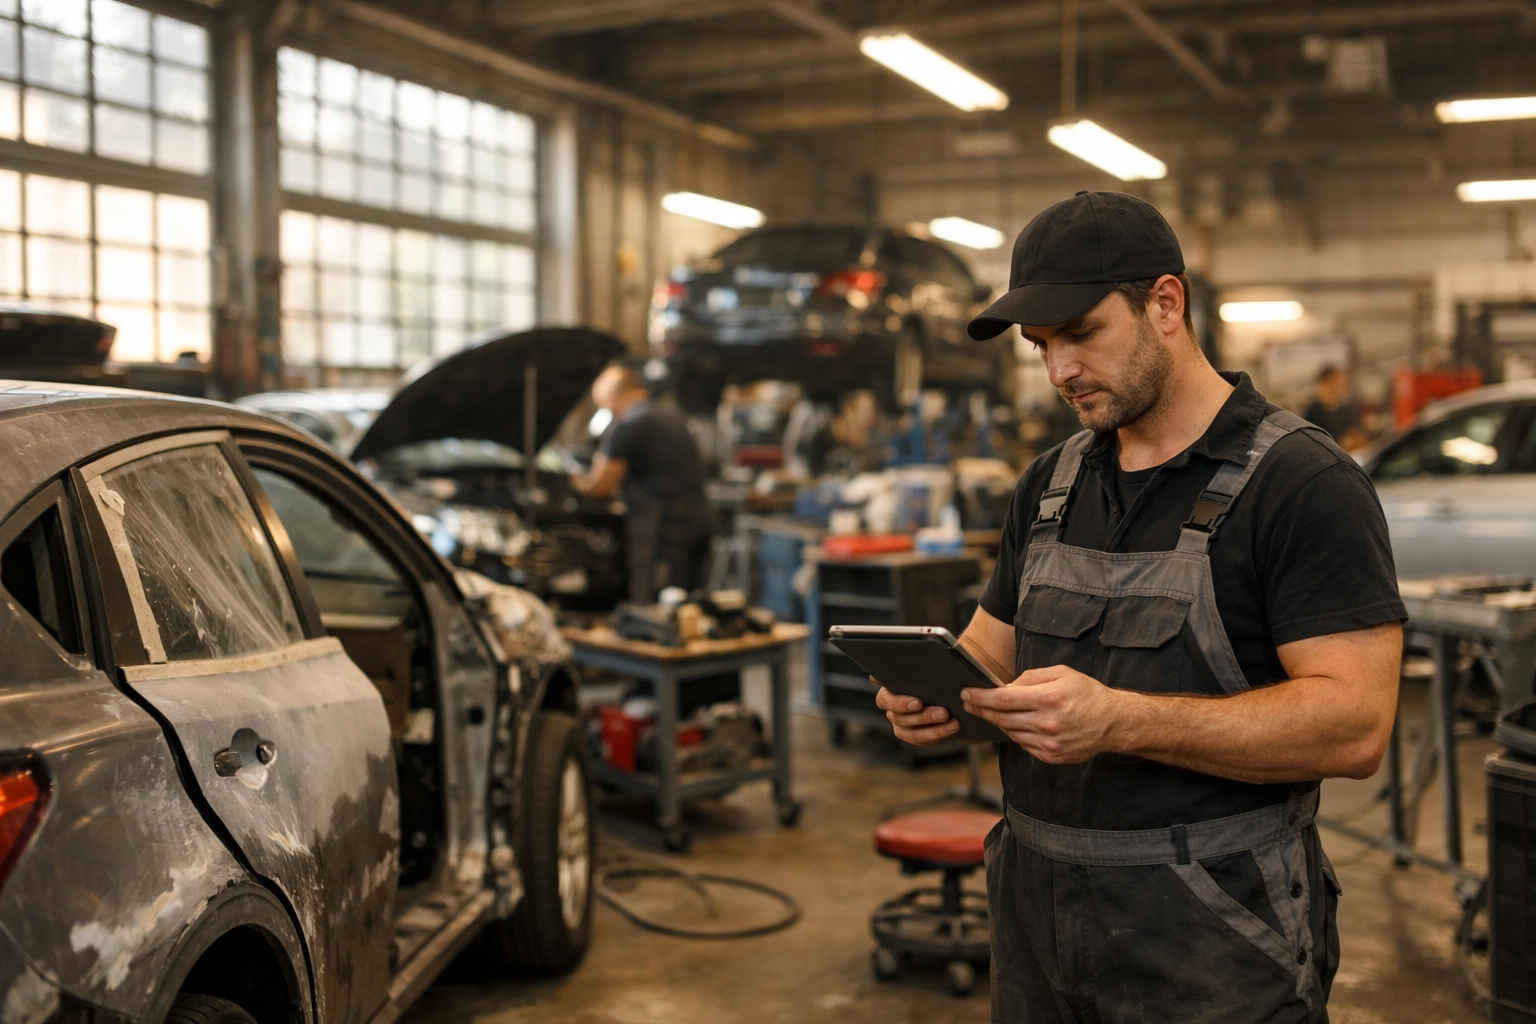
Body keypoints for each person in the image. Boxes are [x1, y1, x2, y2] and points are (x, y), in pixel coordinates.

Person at [874, 191, 1405, 1023]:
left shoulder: (1302, 484)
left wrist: (1124, 721)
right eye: (1040, 346)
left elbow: (1356, 724)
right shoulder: (1049, 486)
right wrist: (935, 693)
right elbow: (991, 653)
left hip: (1215, 941)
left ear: (1165, 303)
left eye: (1082, 335)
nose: (1060, 372)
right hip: (1037, 927)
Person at [571, 365, 712, 603]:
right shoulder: (674, 417)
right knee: (689, 606)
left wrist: (575, 480)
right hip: (699, 523)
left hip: (662, 532)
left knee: (654, 610)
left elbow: (600, 488)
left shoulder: (627, 427)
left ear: (613, 398)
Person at [1303, 364, 1367, 451]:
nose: (1338, 388)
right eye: (1335, 383)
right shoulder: (1312, 413)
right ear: (1324, 384)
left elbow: (1357, 433)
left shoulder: (1343, 408)